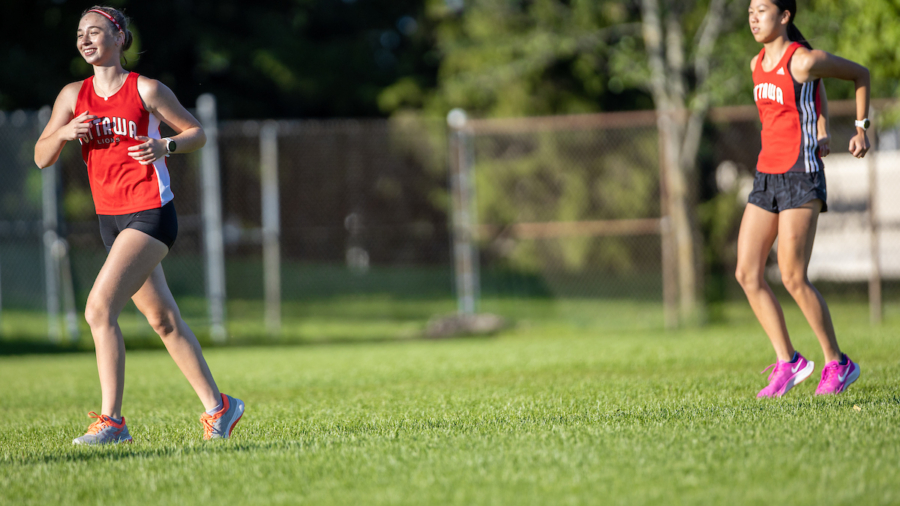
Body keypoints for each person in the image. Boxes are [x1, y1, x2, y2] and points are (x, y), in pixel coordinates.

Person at [34, 6, 244, 443]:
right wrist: (65, 133)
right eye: (79, 34)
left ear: (119, 38)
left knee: (98, 309)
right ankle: (220, 407)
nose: (85, 40)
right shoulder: (73, 96)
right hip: (110, 221)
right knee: (164, 320)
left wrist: (164, 144)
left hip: (150, 213)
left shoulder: (145, 89)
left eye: (94, 32)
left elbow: (196, 133)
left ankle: (112, 423)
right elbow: (41, 156)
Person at [737, 0, 870, 397]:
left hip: (801, 175)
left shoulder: (803, 60)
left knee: (793, 275)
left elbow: (859, 74)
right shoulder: (755, 64)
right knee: (747, 272)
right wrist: (823, 122)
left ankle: (838, 363)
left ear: (785, 16)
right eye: (750, 11)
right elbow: (813, 94)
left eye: (762, 10)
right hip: (766, 176)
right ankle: (789, 361)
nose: (754, 17)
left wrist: (860, 128)